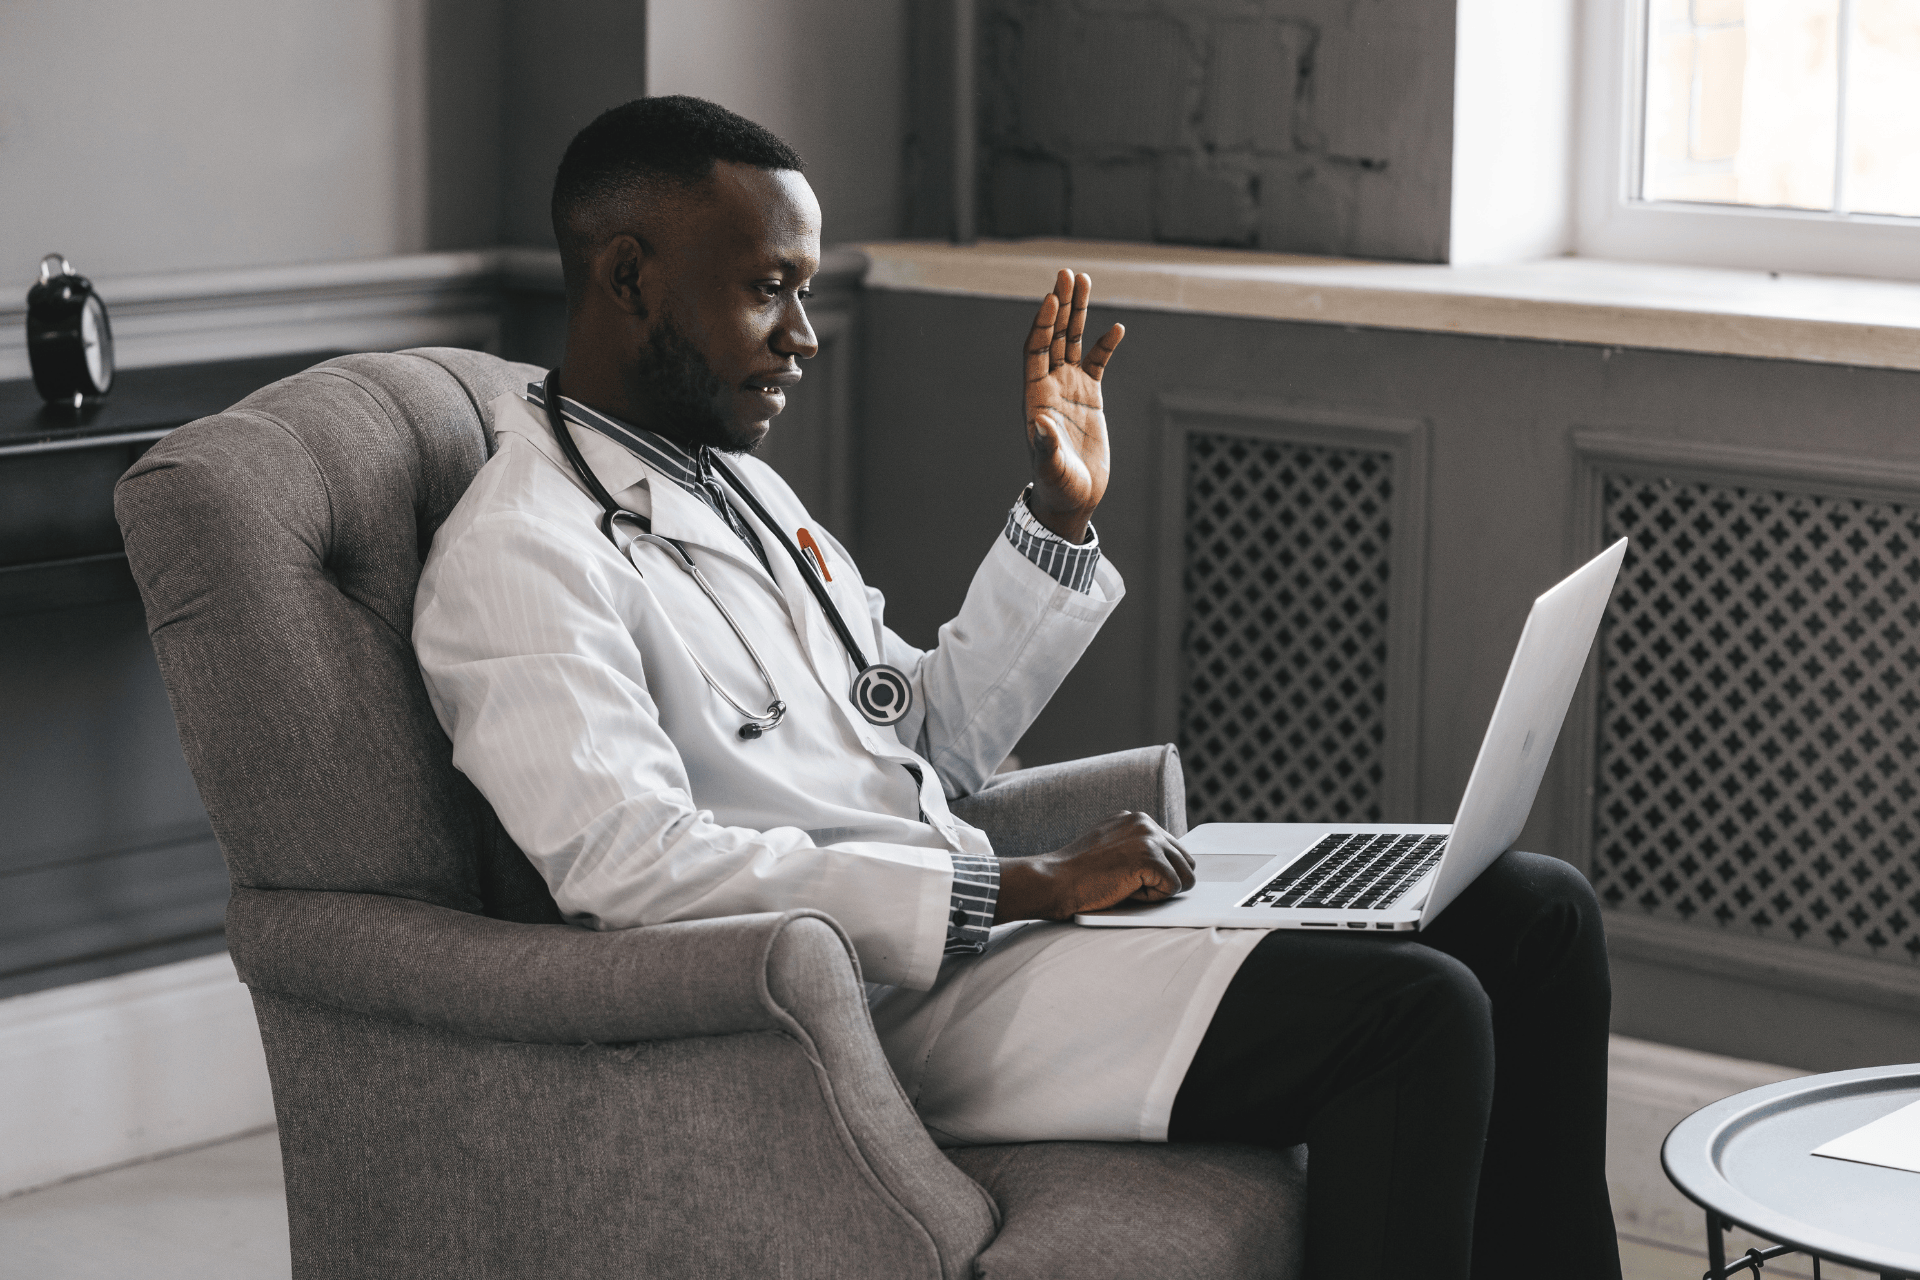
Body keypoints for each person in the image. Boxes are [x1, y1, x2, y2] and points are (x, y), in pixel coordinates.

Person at [412, 95, 1620, 1280]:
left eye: (807, 290)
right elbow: (632, 869)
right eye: (769, 286)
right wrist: (1024, 881)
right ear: (629, 277)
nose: (806, 333)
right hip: (867, 1007)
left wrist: (1054, 517)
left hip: (984, 937)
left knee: (1537, 912)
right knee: (1412, 1015)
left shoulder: (735, 485)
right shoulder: (523, 551)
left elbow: (916, 739)